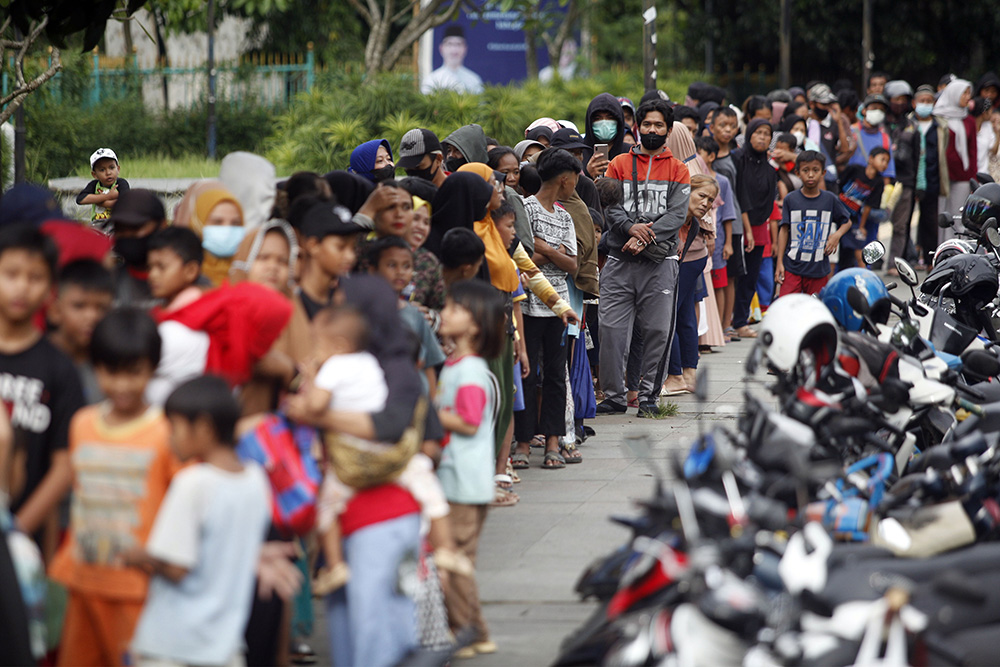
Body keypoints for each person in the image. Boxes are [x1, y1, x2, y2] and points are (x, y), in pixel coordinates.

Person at [48, 309, 176, 667]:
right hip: (83, 579)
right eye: (110, 372)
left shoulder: (166, 432)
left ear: (152, 369)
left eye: (134, 373)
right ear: (95, 368)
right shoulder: (82, 424)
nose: (121, 385)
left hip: (138, 588)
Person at [125, 376, 271, 667]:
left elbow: (177, 567)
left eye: (174, 427)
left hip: (172, 645)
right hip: (224, 647)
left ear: (203, 427)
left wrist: (136, 556)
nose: (169, 439)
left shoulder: (193, 483)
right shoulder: (256, 480)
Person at [598, 99, 690, 416]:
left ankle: (650, 396)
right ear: (637, 127)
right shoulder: (618, 164)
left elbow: (677, 215)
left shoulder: (679, 169)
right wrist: (630, 228)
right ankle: (614, 396)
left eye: (659, 125)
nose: (652, 130)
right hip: (619, 260)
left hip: (660, 263)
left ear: (668, 129)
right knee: (610, 329)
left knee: (659, 330)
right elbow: (609, 206)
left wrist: (645, 236)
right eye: (647, 124)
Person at [0, 225, 85, 557]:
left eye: (35, 278)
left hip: (23, 542)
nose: (22, 287)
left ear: (51, 290)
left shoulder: (60, 370)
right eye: (11, 273)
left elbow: (64, 466)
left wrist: (15, 531)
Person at [435, 279, 504, 659]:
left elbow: (469, 421)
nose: (444, 313)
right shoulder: (456, 366)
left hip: (465, 481)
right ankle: (467, 629)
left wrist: (433, 412)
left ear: (475, 324)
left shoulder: (471, 371)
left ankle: (469, 631)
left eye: (454, 308)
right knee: (457, 559)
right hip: (458, 478)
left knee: (456, 558)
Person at [513, 149, 579, 466]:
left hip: (558, 306)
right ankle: (524, 443)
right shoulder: (525, 209)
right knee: (527, 373)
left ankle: (553, 441)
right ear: (565, 179)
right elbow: (522, 258)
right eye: (575, 179)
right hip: (527, 305)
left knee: (555, 373)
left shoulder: (565, 216)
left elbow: (573, 265)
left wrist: (545, 248)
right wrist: (555, 252)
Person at [662, 175, 718, 395]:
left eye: (710, 200)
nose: (706, 203)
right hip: (690, 260)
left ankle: (676, 375)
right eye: (702, 196)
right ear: (687, 190)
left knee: (670, 316)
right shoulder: (677, 209)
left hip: (689, 261)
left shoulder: (690, 218)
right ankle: (689, 375)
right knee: (684, 316)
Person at [143, 227, 211, 405]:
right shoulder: (163, 312)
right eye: (150, 267)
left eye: (161, 267)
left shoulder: (200, 316)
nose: (152, 275)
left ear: (190, 271)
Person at [775, 151, 852, 295]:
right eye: (806, 170)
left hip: (819, 269)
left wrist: (836, 236)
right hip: (792, 266)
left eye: (815, 170)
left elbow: (847, 221)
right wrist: (780, 262)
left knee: (816, 310)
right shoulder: (791, 199)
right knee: (788, 306)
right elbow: (784, 230)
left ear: (823, 173)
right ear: (798, 173)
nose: (810, 175)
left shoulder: (830, 199)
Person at [731, 118, 778, 340]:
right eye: (758, 132)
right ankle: (727, 321)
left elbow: (768, 201)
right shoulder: (738, 159)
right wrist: (746, 226)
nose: (762, 137)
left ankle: (740, 321)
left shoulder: (769, 169)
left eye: (766, 133)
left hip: (759, 227)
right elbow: (740, 194)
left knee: (751, 276)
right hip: (738, 225)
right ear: (749, 134)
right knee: (733, 275)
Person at [47, 260, 114, 405]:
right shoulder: (33, 357)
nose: (92, 317)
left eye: (102, 308)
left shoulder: (109, 370)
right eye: (79, 306)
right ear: (55, 311)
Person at [709, 106, 748, 338]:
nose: (727, 130)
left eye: (732, 126)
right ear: (711, 127)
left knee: (730, 275)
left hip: (733, 224)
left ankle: (727, 323)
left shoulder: (737, 157)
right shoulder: (707, 155)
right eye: (722, 125)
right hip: (715, 223)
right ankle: (716, 325)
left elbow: (740, 193)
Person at [695, 136, 738, 337]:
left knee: (719, 284)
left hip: (718, 241)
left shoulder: (722, 181)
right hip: (699, 241)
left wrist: (728, 242)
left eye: (700, 153)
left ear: (711, 156)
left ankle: (721, 328)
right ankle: (707, 332)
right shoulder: (694, 179)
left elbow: (728, 214)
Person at [173, 181, 247, 287]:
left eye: (235, 223)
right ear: (198, 224)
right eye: (217, 222)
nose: (227, 230)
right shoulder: (180, 280)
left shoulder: (253, 276)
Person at [108, 189, 167, 309]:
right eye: (120, 229)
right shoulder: (106, 284)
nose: (127, 235)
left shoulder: (185, 282)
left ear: (162, 226)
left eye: (135, 228)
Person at [934, 79, 977, 242]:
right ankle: (942, 252)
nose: (968, 97)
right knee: (941, 215)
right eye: (964, 93)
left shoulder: (969, 120)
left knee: (958, 217)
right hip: (942, 175)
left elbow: (972, 152)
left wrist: (973, 179)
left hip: (962, 176)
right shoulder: (938, 118)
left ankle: (959, 254)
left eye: (969, 93)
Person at [911, 85, 946, 267]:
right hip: (910, 178)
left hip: (932, 179)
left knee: (930, 222)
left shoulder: (940, 126)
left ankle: (930, 258)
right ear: (914, 103)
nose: (925, 104)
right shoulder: (908, 124)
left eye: (928, 101)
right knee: (905, 221)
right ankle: (906, 259)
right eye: (921, 101)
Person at [838, 147, 889, 268]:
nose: (885, 164)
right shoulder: (855, 169)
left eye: (887, 162)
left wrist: (861, 227)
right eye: (882, 159)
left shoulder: (878, 182)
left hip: (852, 218)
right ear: (871, 159)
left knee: (858, 248)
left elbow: (868, 206)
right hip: (838, 211)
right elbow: (838, 185)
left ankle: (865, 276)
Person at [406, 196, 447, 312]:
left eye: (426, 222)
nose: (421, 227)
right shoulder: (376, 251)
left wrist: (430, 316)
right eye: (415, 218)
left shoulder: (428, 261)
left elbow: (441, 308)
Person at [76, 148, 130, 232]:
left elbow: (125, 202)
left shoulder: (121, 183)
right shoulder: (94, 185)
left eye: (111, 168)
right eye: (102, 170)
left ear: (118, 169)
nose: (108, 173)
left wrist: (101, 202)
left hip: (117, 222)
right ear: (94, 174)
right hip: (97, 223)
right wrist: (108, 196)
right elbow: (80, 199)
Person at [421, 25, 484, 95]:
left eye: (458, 44)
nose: (454, 50)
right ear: (441, 48)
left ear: (465, 49)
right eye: (449, 44)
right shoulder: (431, 80)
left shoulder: (474, 80)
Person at [848, 94, 897, 180]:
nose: (878, 112)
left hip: (873, 188)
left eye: (881, 110)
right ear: (864, 110)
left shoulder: (885, 138)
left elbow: (887, 173)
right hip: (849, 184)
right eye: (874, 108)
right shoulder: (851, 132)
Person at [582, 93, 628, 179]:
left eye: (610, 117)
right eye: (598, 118)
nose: (604, 123)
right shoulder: (579, 153)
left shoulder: (629, 153)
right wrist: (586, 174)